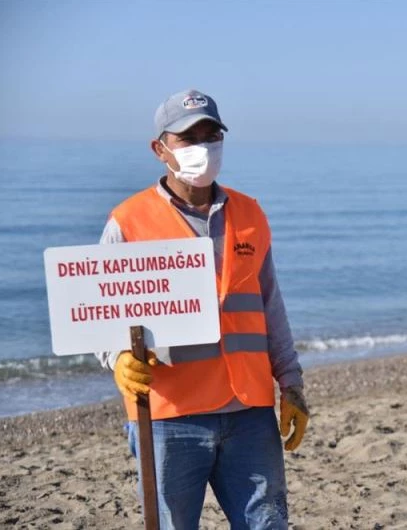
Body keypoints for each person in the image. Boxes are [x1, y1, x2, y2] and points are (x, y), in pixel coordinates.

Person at [96, 89, 309, 530]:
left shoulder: (250, 213)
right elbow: (102, 313)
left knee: (268, 524)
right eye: (188, 138)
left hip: (248, 411)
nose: (203, 148)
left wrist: (292, 384)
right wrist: (116, 357)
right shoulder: (128, 221)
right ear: (160, 149)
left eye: (211, 135)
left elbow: (270, 306)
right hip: (170, 415)